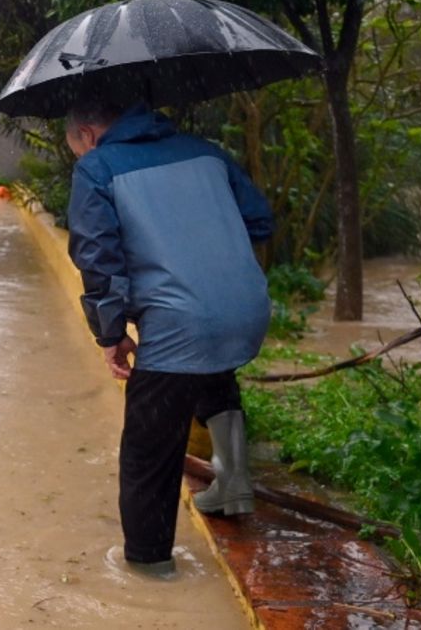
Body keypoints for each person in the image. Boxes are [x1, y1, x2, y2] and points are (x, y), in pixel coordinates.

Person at [64, 94, 273, 577]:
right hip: (246, 308)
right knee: (212, 374)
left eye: (80, 148)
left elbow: (98, 258)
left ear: (89, 135)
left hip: (182, 321)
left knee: (147, 449)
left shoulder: (97, 168)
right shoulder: (206, 151)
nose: (83, 156)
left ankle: (149, 568)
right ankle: (234, 484)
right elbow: (259, 221)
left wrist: (110, 333)